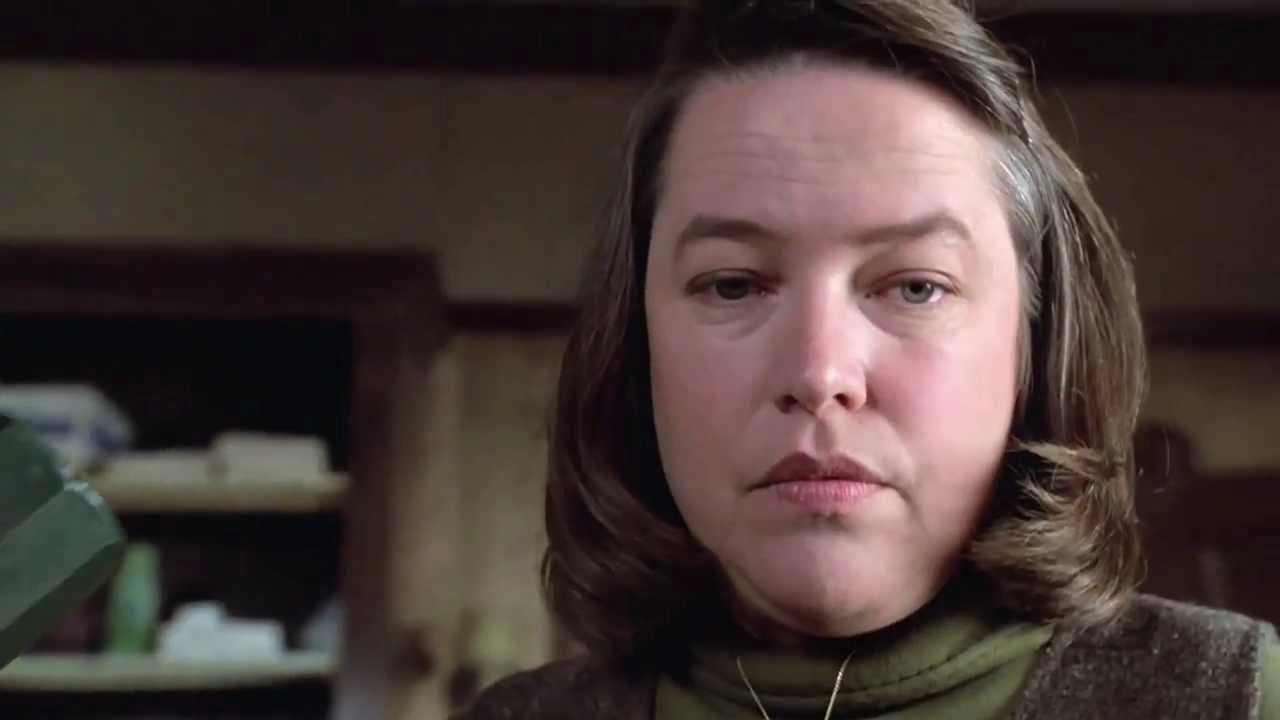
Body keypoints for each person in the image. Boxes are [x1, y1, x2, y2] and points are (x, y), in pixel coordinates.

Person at [456, 0, 1280, 717]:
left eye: (917, 287)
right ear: (636, 343)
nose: (820, 375)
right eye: (733, 285)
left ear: (1036, 339)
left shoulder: (1238, 698)